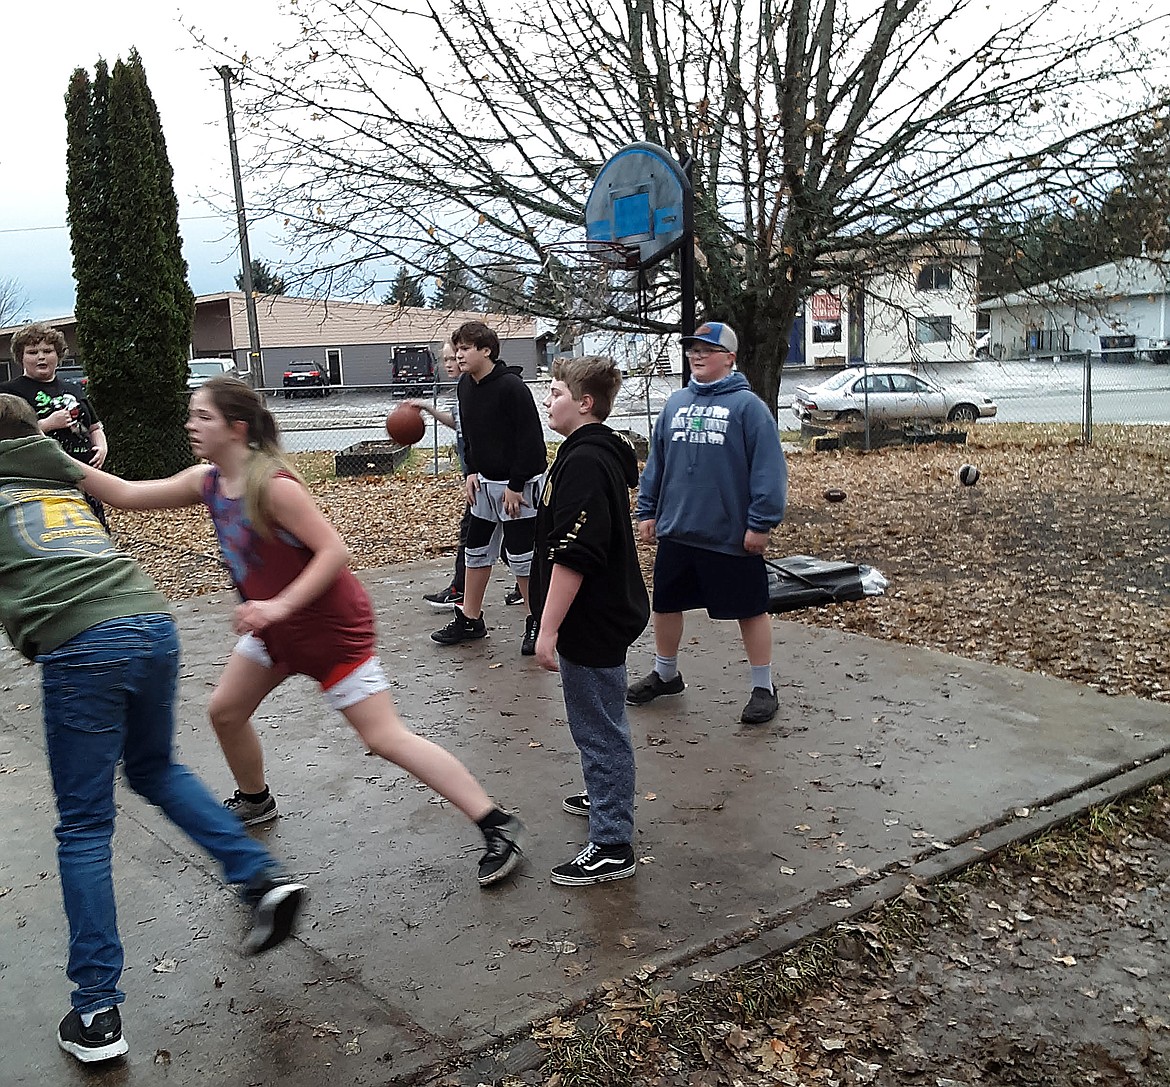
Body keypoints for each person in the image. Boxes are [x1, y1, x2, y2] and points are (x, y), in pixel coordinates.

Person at [79, 377, 524, 888]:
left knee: (383, 737)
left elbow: (335, 552)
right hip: (275, 630)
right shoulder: (207, 481)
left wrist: (277, 605)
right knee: (225, 711)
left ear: (236, 427)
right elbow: (128, 494)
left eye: (202, 416)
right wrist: (46, 457)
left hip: (329, 628)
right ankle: (255, 799)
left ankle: (496, 823)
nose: (190, 424)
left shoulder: (273, 486)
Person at [0, 393, 305, 1066]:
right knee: (153, 768)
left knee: (83, 822)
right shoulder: (54, 480)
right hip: (148, 619)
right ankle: (259, 876)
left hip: (83, 644)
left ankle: (96, 1008)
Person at [629, 322, 788, 725]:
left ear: (730, 358)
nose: (697, 355)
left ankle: (763, 686)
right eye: (692, 349)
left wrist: (761, 523)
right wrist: (647, 511)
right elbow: (658, 464)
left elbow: (769, 470)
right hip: (679, 530)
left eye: (707, 349)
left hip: (730, 535)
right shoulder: (676, 403)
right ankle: (666, 674)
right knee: (665, 605)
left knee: (750, 610)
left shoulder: (749, 407)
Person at [530, 357, 650, 885]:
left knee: (598, 727)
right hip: (597, 613)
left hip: (591, 617)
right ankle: (607, 792)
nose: (547, 401)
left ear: (584, 403)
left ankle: (611, 842)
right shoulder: (587, 452)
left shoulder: (584, 462)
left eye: (555, 392)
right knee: (597, 724)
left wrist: (548, 627)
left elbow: (575, 554)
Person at [429, 321, 546, 655]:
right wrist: (472, 471)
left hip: (517, 488)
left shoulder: (512, 387)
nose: (459, 355)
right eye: (458, 348)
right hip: (484, 485)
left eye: (466, 348)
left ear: (486, 350)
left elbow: (531, 443)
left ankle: (534, 620)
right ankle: (470, 618)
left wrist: (516, 484)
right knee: (476, 551)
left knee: (522, 558)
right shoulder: (466, 386)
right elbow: (470, 436)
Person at [415, 342, 522, 611]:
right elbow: (460, 426)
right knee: (490, 539)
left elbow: (524, 439)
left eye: (455, 357)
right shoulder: (465, 388)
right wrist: (428, 409)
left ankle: (462, 592)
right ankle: (469, 593)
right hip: (478, 477)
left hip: (501, 480)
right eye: (447, 359)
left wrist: (514, 482)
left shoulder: (490, 387)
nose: (452, 362)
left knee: (488, 538)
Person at [1, 320, 109, 528]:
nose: (41, 356)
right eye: (32, 352)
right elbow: (8, 441)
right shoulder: (8, 393)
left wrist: (102, 446)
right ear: (20, 358)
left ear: (58, 355)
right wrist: (48, 424)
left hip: (85, 481)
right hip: (41, 485)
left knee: (94, 534)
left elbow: (95, 426)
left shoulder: (74, 389)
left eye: (47, 351)